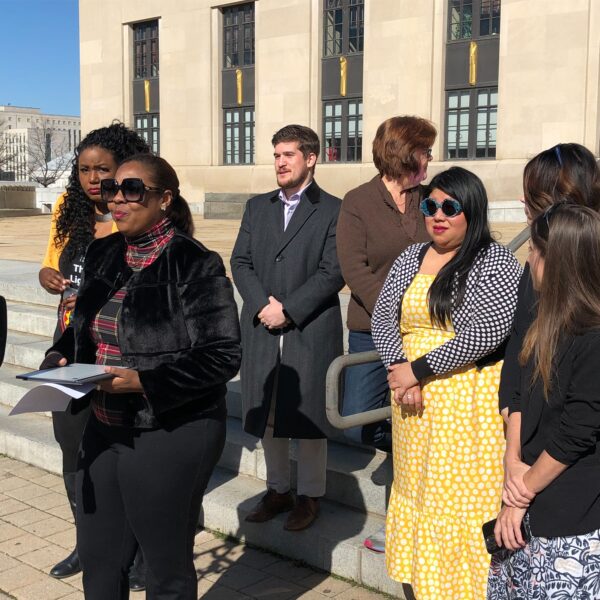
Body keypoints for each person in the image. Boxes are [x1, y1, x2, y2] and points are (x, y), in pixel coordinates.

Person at [43, 153, 241, 599]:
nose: (117, 199)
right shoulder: (103, 251)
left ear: (164, 199)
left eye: (132, 190)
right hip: (102, 423)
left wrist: (145, 382)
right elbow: (81, 329)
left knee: (164, 566)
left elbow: (222, 356)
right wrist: (61, 357)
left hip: (168, 430)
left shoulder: (195, 264)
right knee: (99, 557)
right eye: (112, 189)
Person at [371, 167, 522, 600]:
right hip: (413, 408)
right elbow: (384, 317)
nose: (438, 215)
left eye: (449, 207)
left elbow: (486, 332)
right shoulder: (411, 256)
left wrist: (419, 369)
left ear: (471, 211)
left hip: (465, 408)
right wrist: (401, 368)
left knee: (457, 503)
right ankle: (423, 583)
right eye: (430, 205)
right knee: (418, 493)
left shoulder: (494, 261)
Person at [37, 122, 150, 585]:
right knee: (73, 455)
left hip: (119, 357)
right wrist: (47, 276)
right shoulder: (69, 208)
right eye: (83, 169)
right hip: (69, 349)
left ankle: (140, 550)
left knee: (128, 460)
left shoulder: (136, 210)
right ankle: (88, 543)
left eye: (102, 169)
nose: (91, 178)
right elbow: (52, 259)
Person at [231, 124, 344, 531]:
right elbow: (239, 262)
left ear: (311, 158)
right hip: (262, 327)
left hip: (308, 328)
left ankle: (310, 497)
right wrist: (263, 305)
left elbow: (334, 271)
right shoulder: (256, 207)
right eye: (276, 155)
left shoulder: (333, 208)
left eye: (288, 155)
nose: (279, 162)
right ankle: (277, 490)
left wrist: (290, 309)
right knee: (269, 414)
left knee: (310, 417)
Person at [488, 204, 600, 598]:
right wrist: (512, 461)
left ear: (558, 261)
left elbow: (576, 434)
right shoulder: (544, 322)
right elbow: (518, 393)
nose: (529, 258)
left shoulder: (593, 337)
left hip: (567, 517)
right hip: (527, 494)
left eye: (535, 250)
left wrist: (520, 494)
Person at [337, 115, 436, 553]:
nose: (430, 158)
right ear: (404, 152)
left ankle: (403, 515)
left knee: (414, 421)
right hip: (371, 330)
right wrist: (393, 311)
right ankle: (398, 445)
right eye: (425, 151)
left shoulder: (430, 199)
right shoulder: (358, 201)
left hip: (422, 332)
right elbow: (354, 268)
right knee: (359, 419)